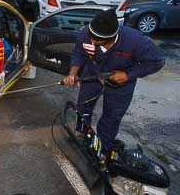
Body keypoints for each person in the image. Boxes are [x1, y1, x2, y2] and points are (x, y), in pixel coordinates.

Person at [63, 9, 165, 159]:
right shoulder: (87, 34)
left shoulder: (134, 41)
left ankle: (103, 148)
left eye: (97, 39)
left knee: (112, 116)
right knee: (83, 107)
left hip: (121, 82)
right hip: (92, 75)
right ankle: (82, 134)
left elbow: (157, 61)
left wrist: (128, 75)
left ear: (112, 37)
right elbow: (79, 52)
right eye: (91, 36)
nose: (92, 41)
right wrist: (73, 73)